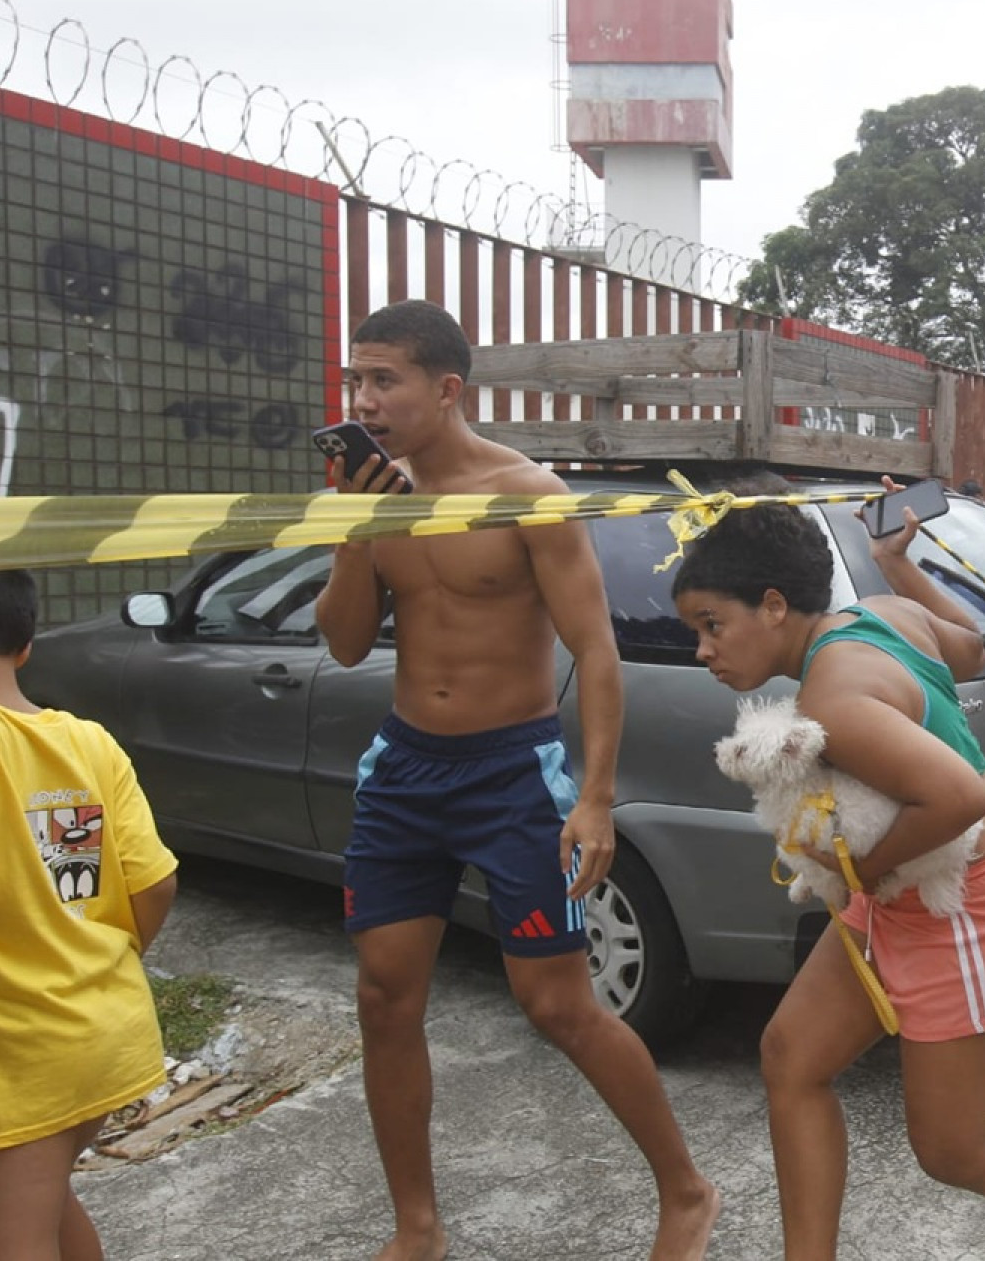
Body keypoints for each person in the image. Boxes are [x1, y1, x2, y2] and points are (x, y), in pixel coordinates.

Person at [314, 300, 718, 1261]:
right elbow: (340, 641)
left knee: (560, 1006)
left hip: (511, 773)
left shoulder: (524, 492)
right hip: (407, 769)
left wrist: (596, 797)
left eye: (384, 380)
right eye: (354, 382)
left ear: (445, 389)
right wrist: (355, 527)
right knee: (383, 995)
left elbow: (597, 647)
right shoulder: (379, 496)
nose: (363, 401)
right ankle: (418, 1226)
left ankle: (688, 1191)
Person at [670, 481, 985, 1261]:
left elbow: (957, 798)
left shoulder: (837, 696)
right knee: (792, 1060)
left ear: (772, 604)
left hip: (974, 907)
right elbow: (969, 647)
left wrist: (854, 867)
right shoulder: (879, 614)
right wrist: (901, 564)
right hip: (912, 897)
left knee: (952, 1149)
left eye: (712, 625)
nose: (703, 650)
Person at [0, 569, 179, 1260]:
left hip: (9, 1054)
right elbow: (154, 883)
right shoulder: (87, 741)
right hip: (99, 1030)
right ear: (27, 642)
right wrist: (94, 966)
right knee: (44, 1204)